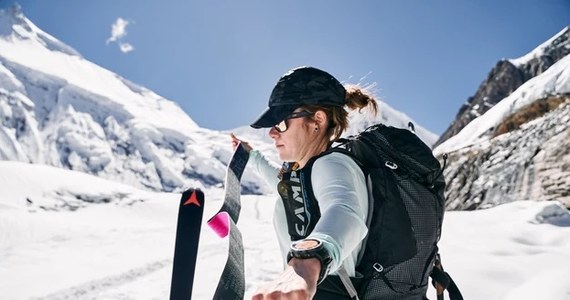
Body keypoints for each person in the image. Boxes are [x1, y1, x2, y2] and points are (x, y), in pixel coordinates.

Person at [231, 66, 378, 300]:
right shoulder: (303, 174)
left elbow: (345, 210)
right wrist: (252, 156)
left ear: (317, 119)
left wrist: (308, 262)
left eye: (280, 123)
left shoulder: (332, 164)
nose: (272, 133)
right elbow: (283, 188)